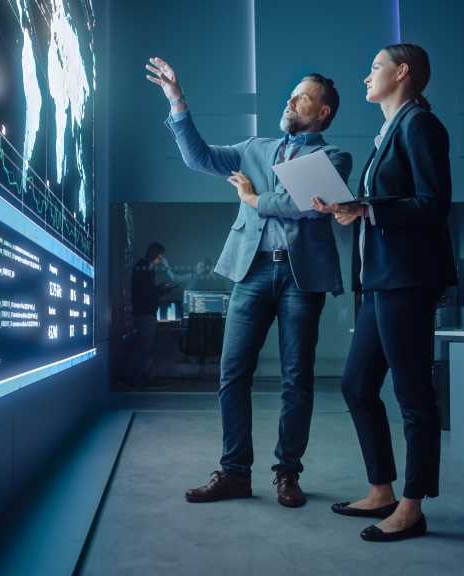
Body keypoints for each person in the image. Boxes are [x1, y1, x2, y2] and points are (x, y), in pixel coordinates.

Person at [146, 57, 351, 508]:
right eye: (291, 93)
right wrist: (177, 100)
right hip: (251, 270)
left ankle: (287, 474)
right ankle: (235, 472)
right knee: (231, 373)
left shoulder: (334, 157)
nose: (290, 100)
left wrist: (254, 199)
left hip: (302, 279)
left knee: (297, 379)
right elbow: (198, 158)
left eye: (302, 97)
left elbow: (301, 204)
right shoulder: (254, 148)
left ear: (323, 113)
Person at [314, 43, 455, 541]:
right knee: (356, 385)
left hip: (406, 281)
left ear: (402, 72)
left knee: (414, 395)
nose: (365, 76)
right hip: (379, 280)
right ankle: (381, 490)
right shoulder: (390, 131)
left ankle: (412, 508)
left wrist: (369, 208)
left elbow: (433, 205)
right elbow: (390, 202)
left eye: (374, 67)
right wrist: (355, 208)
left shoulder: (420, 125)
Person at [131, 242, 175, 388]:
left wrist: (159, 289)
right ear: (154, 253)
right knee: (145, 348)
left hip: (145, 313)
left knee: (145, 347)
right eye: (160, 256)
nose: (160, 259)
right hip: (145, 314)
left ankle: (144, 378)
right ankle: (141, 379)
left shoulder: (145, 268)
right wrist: (161, 290)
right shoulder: (144, 267)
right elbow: (146, 292)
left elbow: (147, 291)